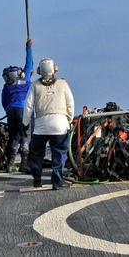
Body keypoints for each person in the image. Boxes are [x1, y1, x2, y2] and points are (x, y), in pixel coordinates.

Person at [23, 57, 75, 189]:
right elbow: (70, 103)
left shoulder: (34, 85)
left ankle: (37, 178)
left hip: (41, 126)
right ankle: (57, 181)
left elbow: (28, 106)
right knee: (59, 152)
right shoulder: (63, 84)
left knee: (37, 152)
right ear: (54, 69)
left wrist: (25, 123)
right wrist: (69, 120)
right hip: (60, 125)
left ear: (40, 70)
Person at [1, 39, 34, 173]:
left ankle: (10, 164)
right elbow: (30, 63)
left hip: (11, 111)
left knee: (14, 136)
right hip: (23, 111)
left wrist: (9, 111)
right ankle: (24, 163)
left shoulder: (7, 86)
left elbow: (4, 101)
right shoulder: (25, 81)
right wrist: (29, 48)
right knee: (26, 136)